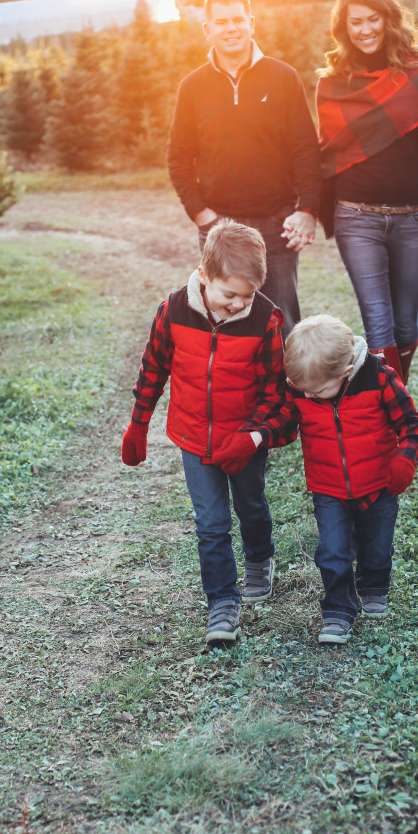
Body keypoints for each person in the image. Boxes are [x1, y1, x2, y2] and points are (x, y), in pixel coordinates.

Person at [121, 219, 285, 646]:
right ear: (205, 274)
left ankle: (259, 558)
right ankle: (223, 604)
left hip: (243, 441)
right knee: (210, 523)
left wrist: (253, 436)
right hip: (194, 438)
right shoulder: (173, 310)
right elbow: (153, 369)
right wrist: (139, 423)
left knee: (250, 506)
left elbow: (275, 393)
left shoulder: (265, 320)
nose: (237, 304)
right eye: (229, 294)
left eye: (246, 296)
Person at [216, 315, 418, 644]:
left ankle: (372, 585)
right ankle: (338, 610)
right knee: (332, 551)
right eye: (304, 390)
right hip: (328, 488)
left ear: (345, 371)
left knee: (377, 546)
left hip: (380, 485)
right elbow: (285, 423)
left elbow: (412, 424)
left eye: (318, 391)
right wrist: (255, 438)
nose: (310, 396)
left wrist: (405, 459)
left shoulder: (379, 378)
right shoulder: (304, 388)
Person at [317, 0, 418, 384]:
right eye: (355, 21)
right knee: (379, 326)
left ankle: (397, 400)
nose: (365, 29)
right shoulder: (333, 84)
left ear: (389, 19)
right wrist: (308, 207)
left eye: (373, 19)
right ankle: (392, 417)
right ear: (344, 27)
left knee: (407, 327)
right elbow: (325, 154)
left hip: (413, 221)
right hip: (357, 219)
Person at [167, 0, 321, 338]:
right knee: (226, 325)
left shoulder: (283, 77)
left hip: (277, 221)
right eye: (221, 22)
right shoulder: (191, 87)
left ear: (252, 22)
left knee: (282, 326)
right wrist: (202, 216)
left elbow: (305, 149)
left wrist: (308, 208)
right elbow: (177, 158)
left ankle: (284, 395)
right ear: (208, 29)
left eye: (238, 19)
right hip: (220, 227)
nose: (231, 28)